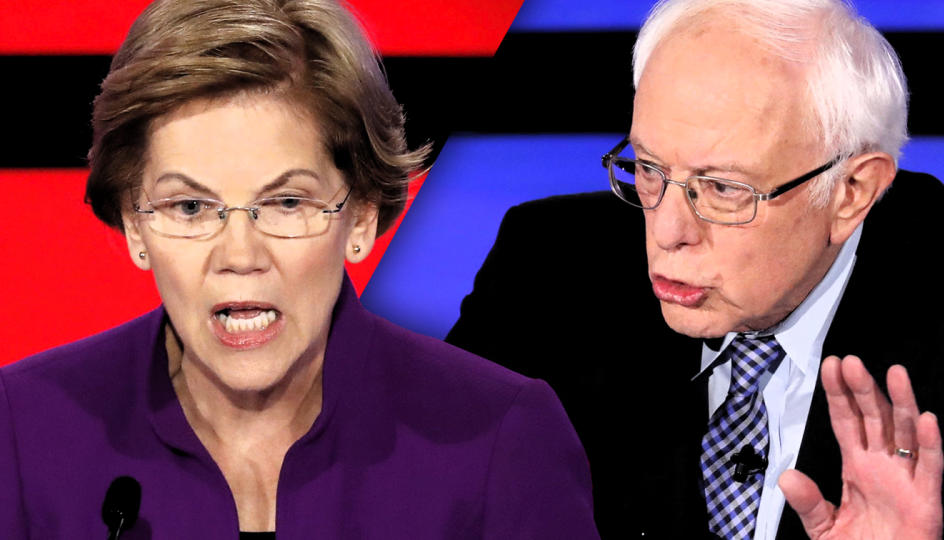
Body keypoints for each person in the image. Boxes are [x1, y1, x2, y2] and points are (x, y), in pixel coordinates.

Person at [0, 0, 600, 538]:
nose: (239, 256)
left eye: (286, 202)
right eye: (190, 206)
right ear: (135, 225)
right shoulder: (24, 431)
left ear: (361, 216)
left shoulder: (500, 437)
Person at [447, 0, 944, 538]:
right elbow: (423, 496)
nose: (667, 232)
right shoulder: (548, 267)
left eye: (725, 188)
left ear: (852, 192)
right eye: (648, 168)